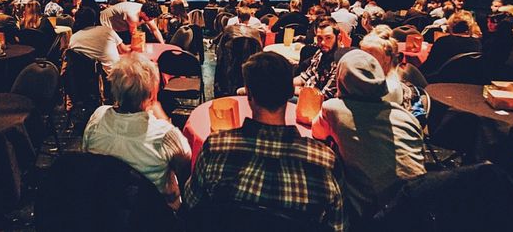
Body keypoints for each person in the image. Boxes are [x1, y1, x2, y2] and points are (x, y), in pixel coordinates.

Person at [185, 52, 345, 231]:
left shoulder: (216, 147)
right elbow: (337, 226)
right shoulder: (324, 161)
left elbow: (192, 204)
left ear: (249, 95)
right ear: (290, 92)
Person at [312, 49, 426, 221]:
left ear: (341, 79)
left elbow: (317, 132)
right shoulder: (406, 116)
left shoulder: (334, 109)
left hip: (372, 215)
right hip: (418, 208)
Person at [82, 53, 191, 210]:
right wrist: (164, 120)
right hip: (152, 215)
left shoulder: (97, 117)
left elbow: (87, 156)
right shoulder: (166, 136)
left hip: (102, 208)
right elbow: (186, 174)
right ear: (152, 94)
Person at [360, 26, 427, 122]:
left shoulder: (387, 88)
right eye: (362, 54)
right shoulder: (381, 74)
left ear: (387, 58)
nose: (362, 59)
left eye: (370, 55)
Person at [68, 8, 130, 74]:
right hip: (112, 76)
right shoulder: (107, 30)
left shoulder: (73, 38)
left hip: (86, 78)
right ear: (94, 20)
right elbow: (123, 50)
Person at [421, 10, 482, 76]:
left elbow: (428, 66)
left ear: (451, 25)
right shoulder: (477, 43)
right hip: (466, 81)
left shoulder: (442, 41)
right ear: (470, 26)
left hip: (439, 80)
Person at [99, 0, 164, 44]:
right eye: (150, 18)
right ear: (143, 13)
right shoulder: (132, 15)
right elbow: (134, 35)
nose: (150, 20)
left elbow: (155, 30)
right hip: (105, 23)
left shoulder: (146, 11)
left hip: (121, 23)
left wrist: (163, 45)